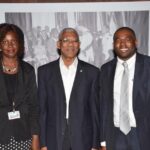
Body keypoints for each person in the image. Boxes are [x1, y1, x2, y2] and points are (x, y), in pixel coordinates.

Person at [38, 27, 100, 150]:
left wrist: (94, 145)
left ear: (79, 45)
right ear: (58, 44)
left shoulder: (92, 72)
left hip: (83, 138)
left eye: (75, 40)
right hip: (54, 138)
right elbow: (42, 110)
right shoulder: (44, 72)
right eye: (66, 40)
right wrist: (43, 143)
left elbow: (95, 111)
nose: (71, 44)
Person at [99, 27, 150, 150]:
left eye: (127, 39)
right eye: (118, 40)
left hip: (143, 135)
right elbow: (103, 107)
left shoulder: (148, 65)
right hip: (115, 136)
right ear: (113, 44)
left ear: (136, 42)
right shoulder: (105, 70)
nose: (122, 44)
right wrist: (103, 141)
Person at [0, 23, 40, 150]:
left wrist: (35, 139)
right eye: (5, 42)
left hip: (24, 136)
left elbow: (33, 107)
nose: (10, 46)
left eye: (14, 41)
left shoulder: (28, 70)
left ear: (20, 44)